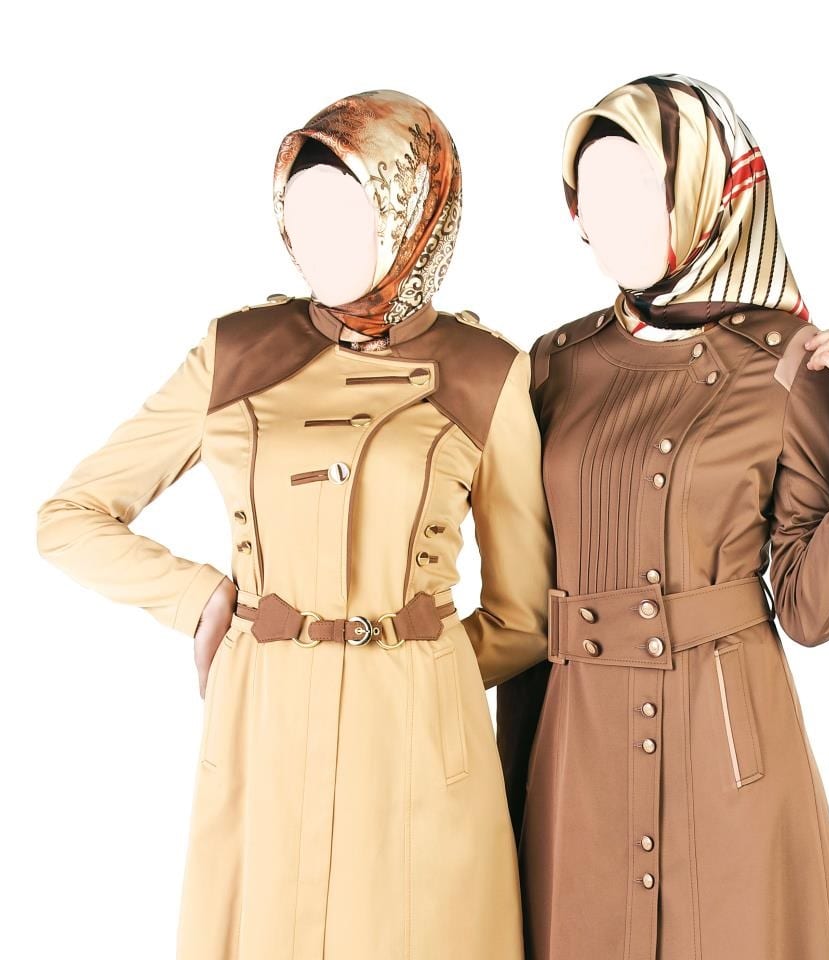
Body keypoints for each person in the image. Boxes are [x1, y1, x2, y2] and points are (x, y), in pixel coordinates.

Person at [36, 88, 554, 960]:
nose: (319, 242)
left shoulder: (486, 372)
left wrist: (417, 669)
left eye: (350, 214)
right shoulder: (236, 352)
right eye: (301, 215)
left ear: (413, 213)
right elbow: (70, 517)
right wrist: (200, 599)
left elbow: (525, 616)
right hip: (263, 723)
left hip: (419, 745)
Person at [495, 73, 829, 960]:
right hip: (578, 754)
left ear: (699, 193)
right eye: (590, 194)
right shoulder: (552, 363)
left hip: (725, 751)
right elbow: (529, 592)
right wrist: (511, 788)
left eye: (638, 189)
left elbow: (807, 608)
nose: (608, 218)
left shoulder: (787, 362)